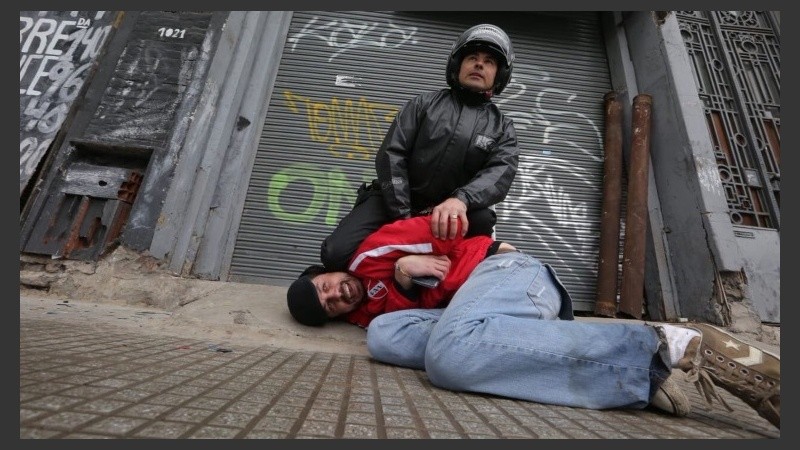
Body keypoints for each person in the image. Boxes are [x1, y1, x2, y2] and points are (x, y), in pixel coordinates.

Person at [365, 251, 781, 429]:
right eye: (322, 306)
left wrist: (404, 267)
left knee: (448, 357)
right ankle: (629, 368)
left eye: (326, 286)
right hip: (492, 312)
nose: (335, 296)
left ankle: (670, 343)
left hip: (511, 273)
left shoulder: (379, 249)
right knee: (386, 337)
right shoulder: (375, 314)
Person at [319, 23, 520, 272]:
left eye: (489, 61)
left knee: (482, 220)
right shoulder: (423, 104)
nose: (479, 64)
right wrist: (405, 219)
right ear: (457, 66)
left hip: (448, 211)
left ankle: (438, 280)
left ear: (499, 75)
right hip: (393, 201)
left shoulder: (502, 128)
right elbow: (392, 154)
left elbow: (500, 174)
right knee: (335, 254)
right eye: (472, 58)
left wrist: (461, 199)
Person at [287, 214, 538, 329]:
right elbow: (404, 319)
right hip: (478, 305)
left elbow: (452, 226)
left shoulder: (371, 254)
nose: (337, 294)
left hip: (493, 266)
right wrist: (402, 276)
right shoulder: (362, 317)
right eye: (330, 306)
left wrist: (416, 258)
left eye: (324, 287)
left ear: (326, 272)